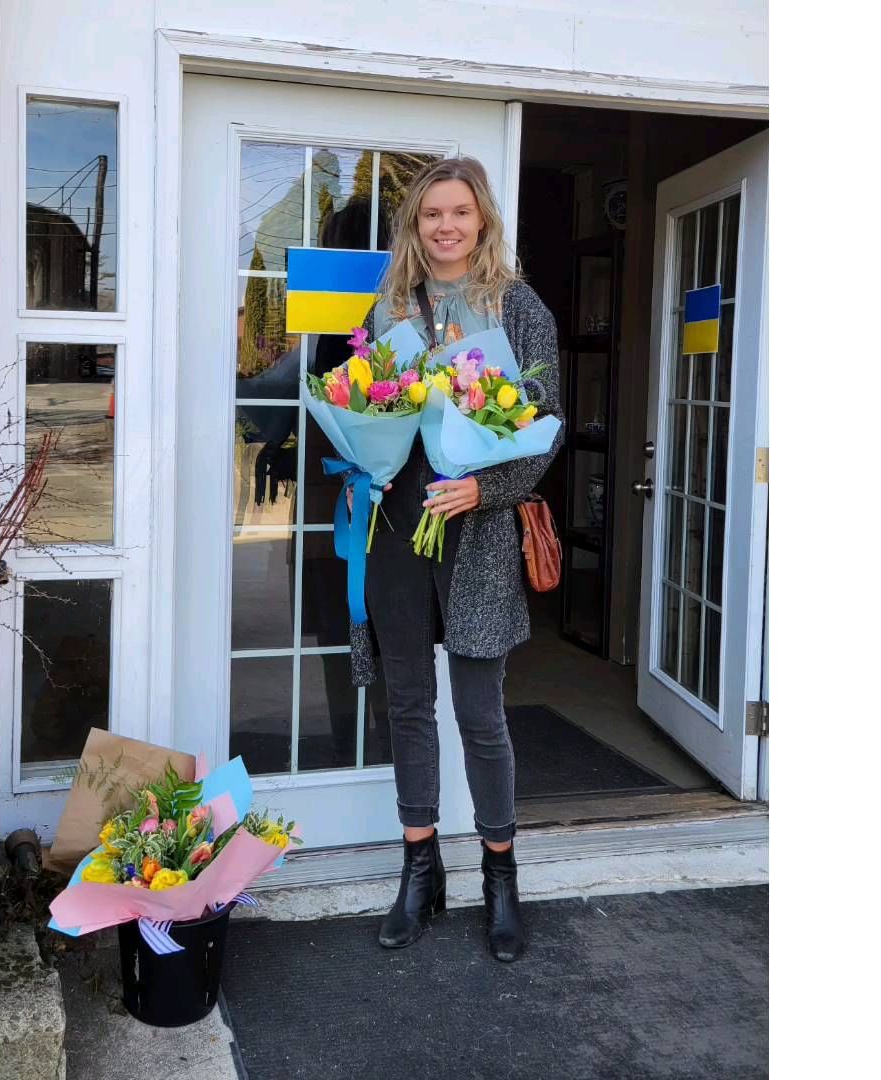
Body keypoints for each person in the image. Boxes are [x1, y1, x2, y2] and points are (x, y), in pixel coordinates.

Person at [351, 156, 564, 962]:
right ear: (416, 223)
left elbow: (543, 426)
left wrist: (486, 488)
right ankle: (420, 869)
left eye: (460, 213)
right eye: (432, 213)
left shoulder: (518, 307)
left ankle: (500, 877)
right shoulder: (389, 309)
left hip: (477, 532)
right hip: (400, 525)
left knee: (480, 714)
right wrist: (368, 459)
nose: (446, 226)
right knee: (408, 704)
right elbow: (367, 405)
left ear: (483, 222)